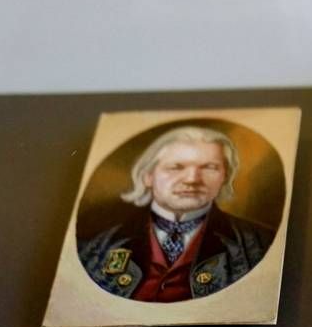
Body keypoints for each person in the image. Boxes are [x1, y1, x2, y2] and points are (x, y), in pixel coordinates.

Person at [78, 125, 276, 302]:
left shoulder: (262, 244)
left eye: (209, 167)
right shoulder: (95, 248)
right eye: (176, 167)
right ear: (148, 176)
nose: (192, 179)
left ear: (225, 176)